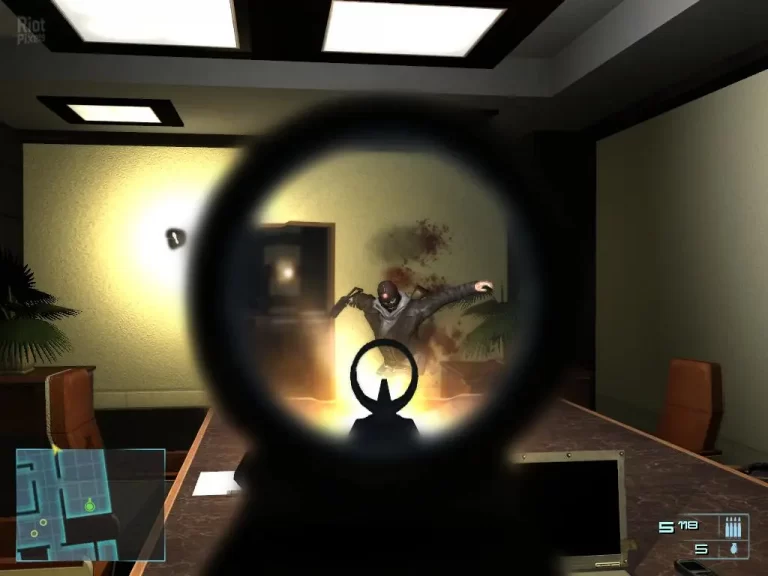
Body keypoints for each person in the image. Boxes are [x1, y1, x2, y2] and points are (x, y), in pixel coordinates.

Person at [343, 279, 494, 374]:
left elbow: (444, 297)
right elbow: (361, 299)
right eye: (385, 303)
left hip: (410, 359)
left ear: (397, 297)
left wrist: (473, 287)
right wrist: (350, 299)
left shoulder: (415, 309)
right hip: (389, 363)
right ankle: (391, 366)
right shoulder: (372, 307)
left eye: (392, 302)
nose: (389, 306)